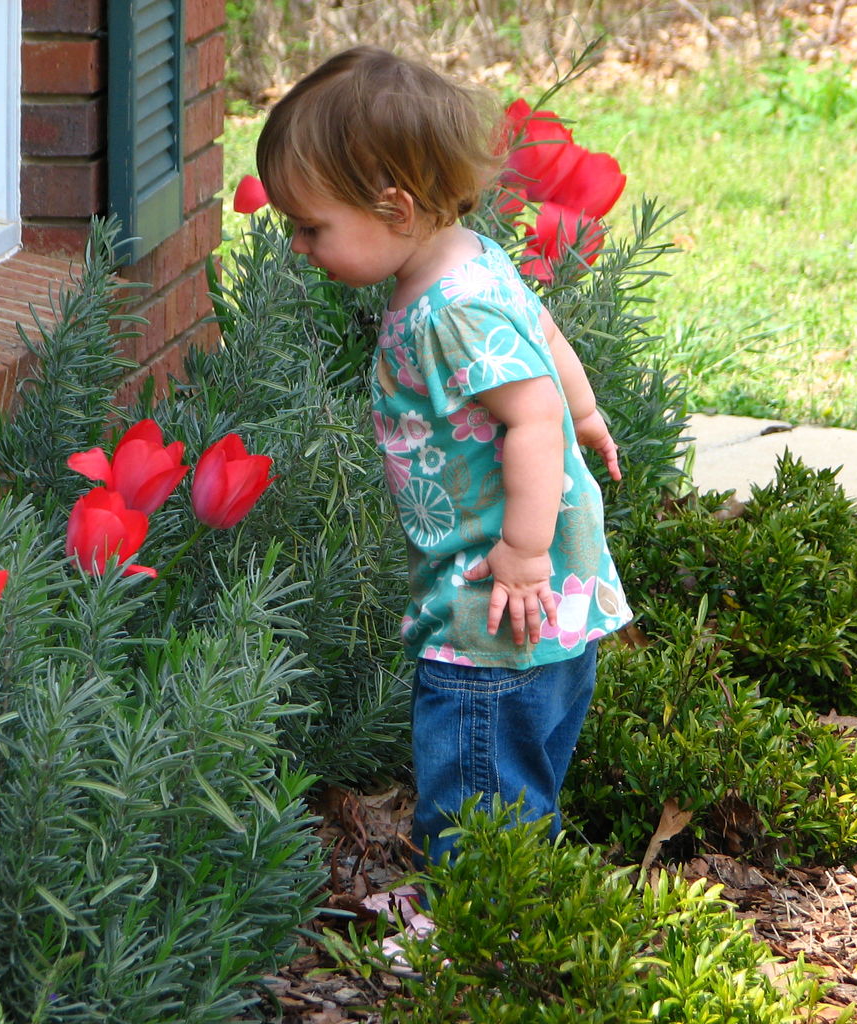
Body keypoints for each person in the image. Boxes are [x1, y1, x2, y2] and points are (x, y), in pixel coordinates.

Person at [256, 46, 633, 872]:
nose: (295, 245)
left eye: (310, 225)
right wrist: (587, 409)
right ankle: (515, 893)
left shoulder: (445, 312)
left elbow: (527, 417)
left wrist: (523, 554)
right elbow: (543, 338)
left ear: (394, 205)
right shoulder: (474, 259)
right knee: (515, 769)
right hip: (539, 599)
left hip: (493, 604)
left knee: (476, 780)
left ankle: (475, 925)